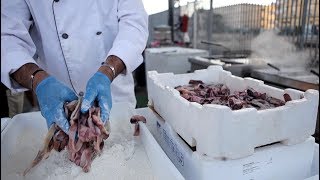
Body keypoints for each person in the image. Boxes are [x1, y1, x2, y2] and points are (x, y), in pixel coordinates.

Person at [1, 0, 148, 133]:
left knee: (124, 145)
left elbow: (134, 24)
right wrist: (39, 81)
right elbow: (8, 37)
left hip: (114, 94)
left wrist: (108, 71)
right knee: (64, 154)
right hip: (58, 101)